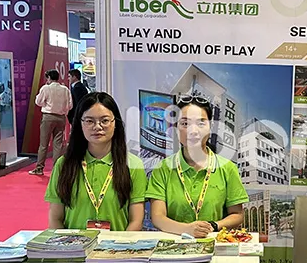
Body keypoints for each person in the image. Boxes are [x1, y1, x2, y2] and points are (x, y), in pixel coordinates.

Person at [146, 94, 248, 238]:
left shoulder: (227, 168)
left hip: (214, 245)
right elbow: (158, 217)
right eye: (185, 123)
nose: (193, 131)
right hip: (173, 247)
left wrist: (214, 225)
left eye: (201, 123)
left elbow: (237, 214)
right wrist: (187, 229)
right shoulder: (163, 168)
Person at [45, 92, 146, 230]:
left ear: (115, 123)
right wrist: (65, 244)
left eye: (104, 120)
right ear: (80, 124)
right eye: (89, 121)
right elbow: (55, 218)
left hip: (118, 243)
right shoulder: (64, 165)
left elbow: (136, 221)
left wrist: (121, 243)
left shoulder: (133, 165)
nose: (97, 127)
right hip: (74, 243)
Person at [30, 69, 72, 176]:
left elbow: (38, 102)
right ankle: (57, 169)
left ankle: (39, 168)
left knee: (43, 144)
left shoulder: (46, 88)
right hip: (61, 117)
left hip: (48, 117)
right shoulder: (65, 89)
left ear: (49, 78)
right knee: (58, 144)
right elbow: (70, 105)